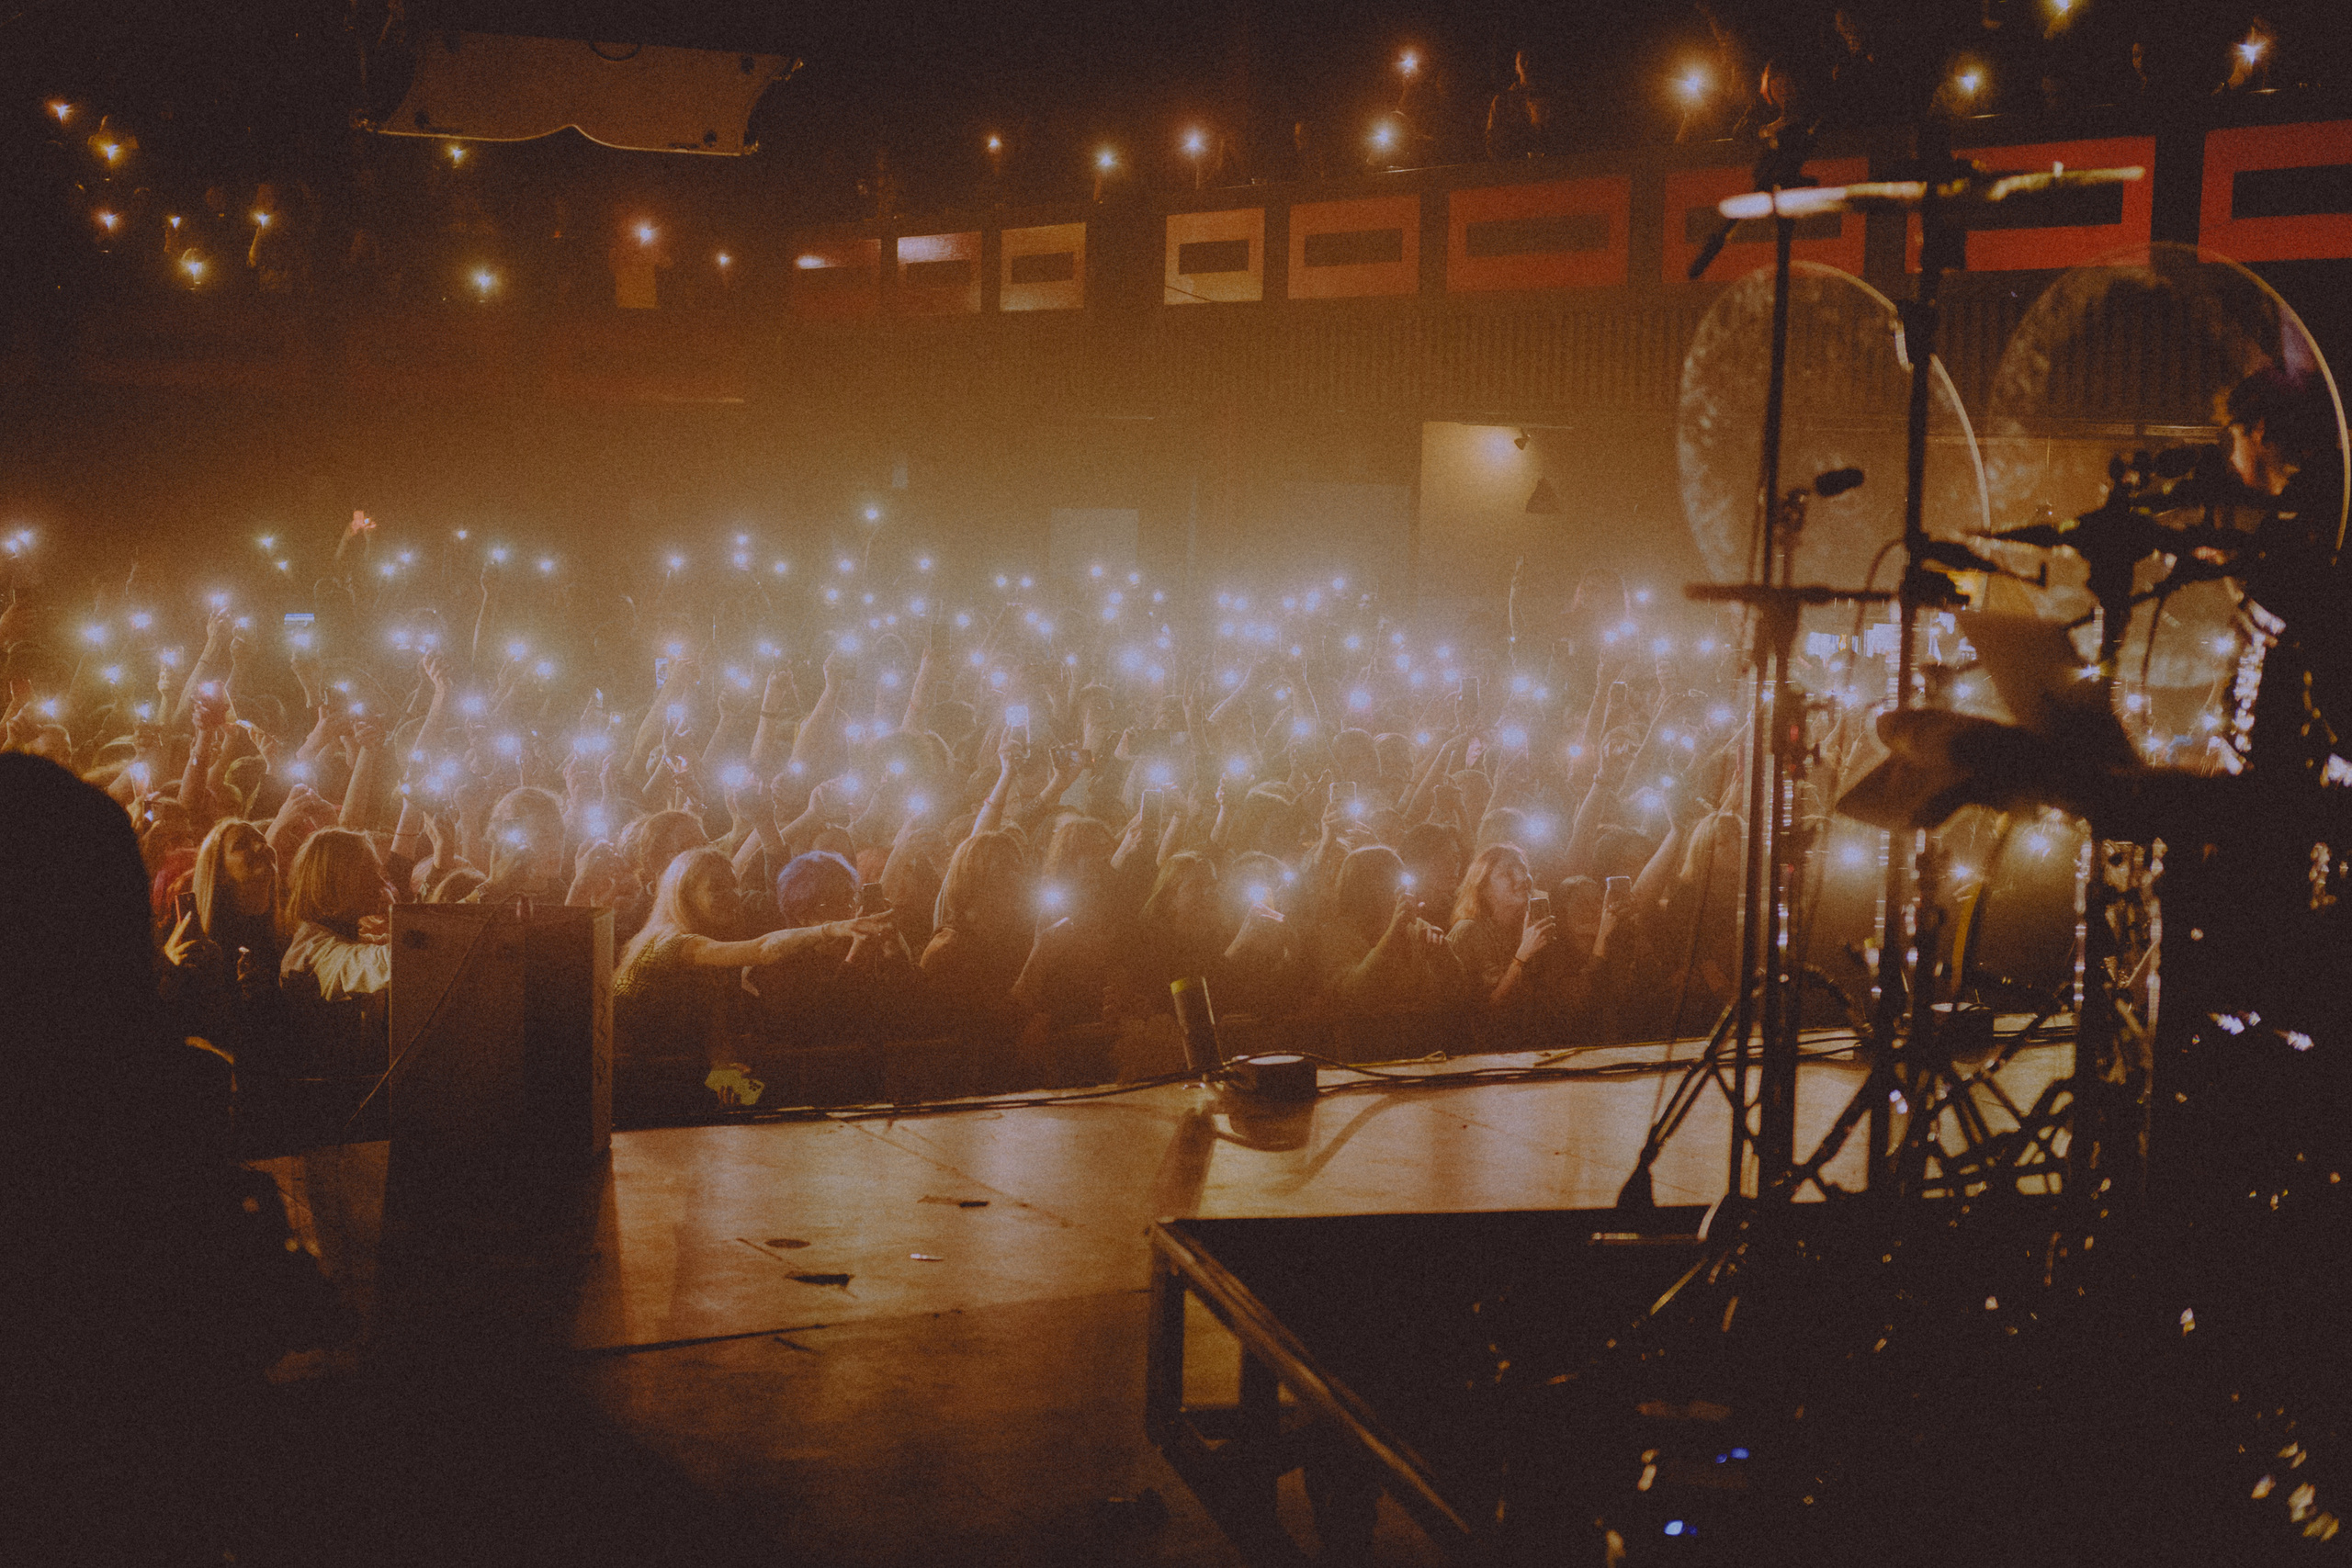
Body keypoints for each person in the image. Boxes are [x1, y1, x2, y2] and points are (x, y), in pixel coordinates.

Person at [613, 848, 887, 1118]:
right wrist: (834, 927)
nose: (731, 895)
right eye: (716, 888)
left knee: (769, 1099)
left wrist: (728, 1076)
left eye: (734, 885)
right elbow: (763, 949)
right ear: (685, 896)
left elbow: (715, 1039)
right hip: (629, 1082)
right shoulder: (668, 944)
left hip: (670, 1076)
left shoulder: (711, 955)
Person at [1446, 842, 1557, 1038]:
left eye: (1523, 869)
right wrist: (1522, 956)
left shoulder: (1528, 927)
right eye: (1507, 873)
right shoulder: (1468, 932)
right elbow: (1486, 1011)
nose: (1522, 878)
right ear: (1484, 889)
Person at [279, 826, 394, 1001]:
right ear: (336, 882)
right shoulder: (314, 952)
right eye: (368, 872)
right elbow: (388, 962)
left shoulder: (335, 935)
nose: (381, 882)